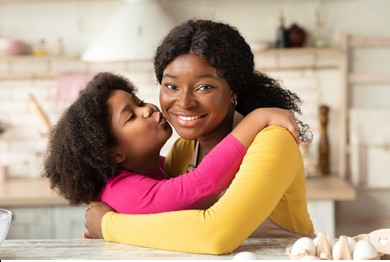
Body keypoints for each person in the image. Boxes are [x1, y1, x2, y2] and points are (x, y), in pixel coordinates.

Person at [84, 19, 315, 255]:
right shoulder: (185, 148)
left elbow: (216, 235)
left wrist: (108, 224)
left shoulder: (273, 140)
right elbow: (162, 221)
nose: (184, 103)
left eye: (204, 87)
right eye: (171, 86)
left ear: (233, 89)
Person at [43, 72, 299, 215]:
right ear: (113, 153)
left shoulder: (161, 167)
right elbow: (202, 183)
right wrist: (256, 118)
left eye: (140, 102)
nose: (148, 110)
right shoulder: (123, 190)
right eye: (131, 116)